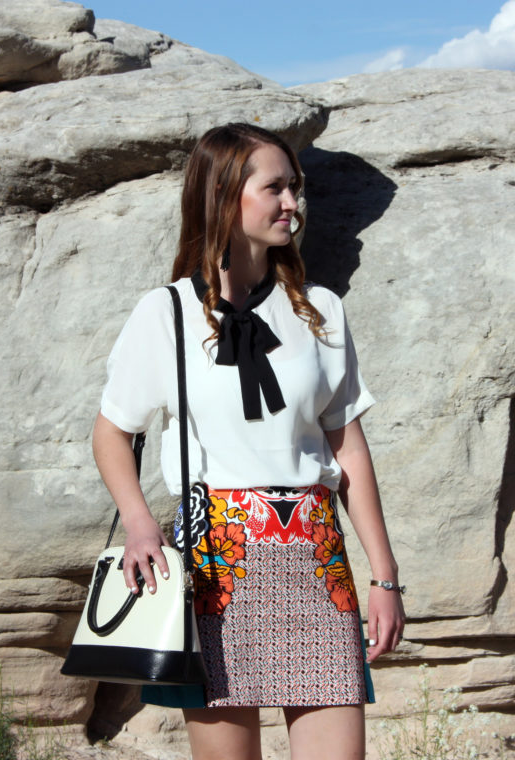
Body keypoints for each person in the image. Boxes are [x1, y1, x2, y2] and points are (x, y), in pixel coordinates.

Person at [91, 122, 405, 760]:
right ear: (224, 197)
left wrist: (385, 574)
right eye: (276, 188)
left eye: (297, 188)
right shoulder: (167, 314)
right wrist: (139, 521)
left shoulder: (321, 310)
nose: (294, 203)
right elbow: (111, 431)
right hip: (212, 562)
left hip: (314, 557)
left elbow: (348, 449)